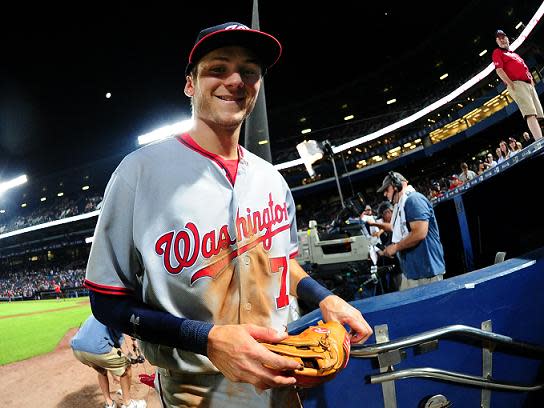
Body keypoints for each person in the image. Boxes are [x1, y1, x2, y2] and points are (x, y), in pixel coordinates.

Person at [84, 22, 372, 408]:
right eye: (218, 68)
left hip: (280, 379)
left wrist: (324, 297)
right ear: (190, 83)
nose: (235, 80)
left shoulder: (272, 180)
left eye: (249, 72)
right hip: (194, 392)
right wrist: (205, 339)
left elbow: (282, 264)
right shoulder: (139, 173)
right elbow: (106, 301)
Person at [375, 172, 446, 290]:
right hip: (414, 272)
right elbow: (397, 229)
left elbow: (419, 233)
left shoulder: (414, 200)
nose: (385, 194)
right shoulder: (401, 205)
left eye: (387, 189)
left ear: (396, 185)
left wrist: (396, 247)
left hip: (426, 272)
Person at [70, 314, 146, 408]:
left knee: (101, 370)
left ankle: (109, 403)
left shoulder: (97, 311)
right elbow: (116, 345)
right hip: (97, 349)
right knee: (126, 367)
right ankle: (128, 404)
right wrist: (117, 370)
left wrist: (114, 372)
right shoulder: (117, 315)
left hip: (77, 349)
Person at [492, 29, 543, 141]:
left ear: (507, 39)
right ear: (497, 41)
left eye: (503, 37)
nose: (502, 40)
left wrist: (531, 81)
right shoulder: (497, 52)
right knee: (530, 113)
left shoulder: (513, 54)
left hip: (528, 85)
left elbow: (524, 68)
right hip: (517, 84)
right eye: (499, 38)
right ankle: (540, 141)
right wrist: (510, 83)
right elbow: (499, 70)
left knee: (537, 114)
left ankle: (540, 137)